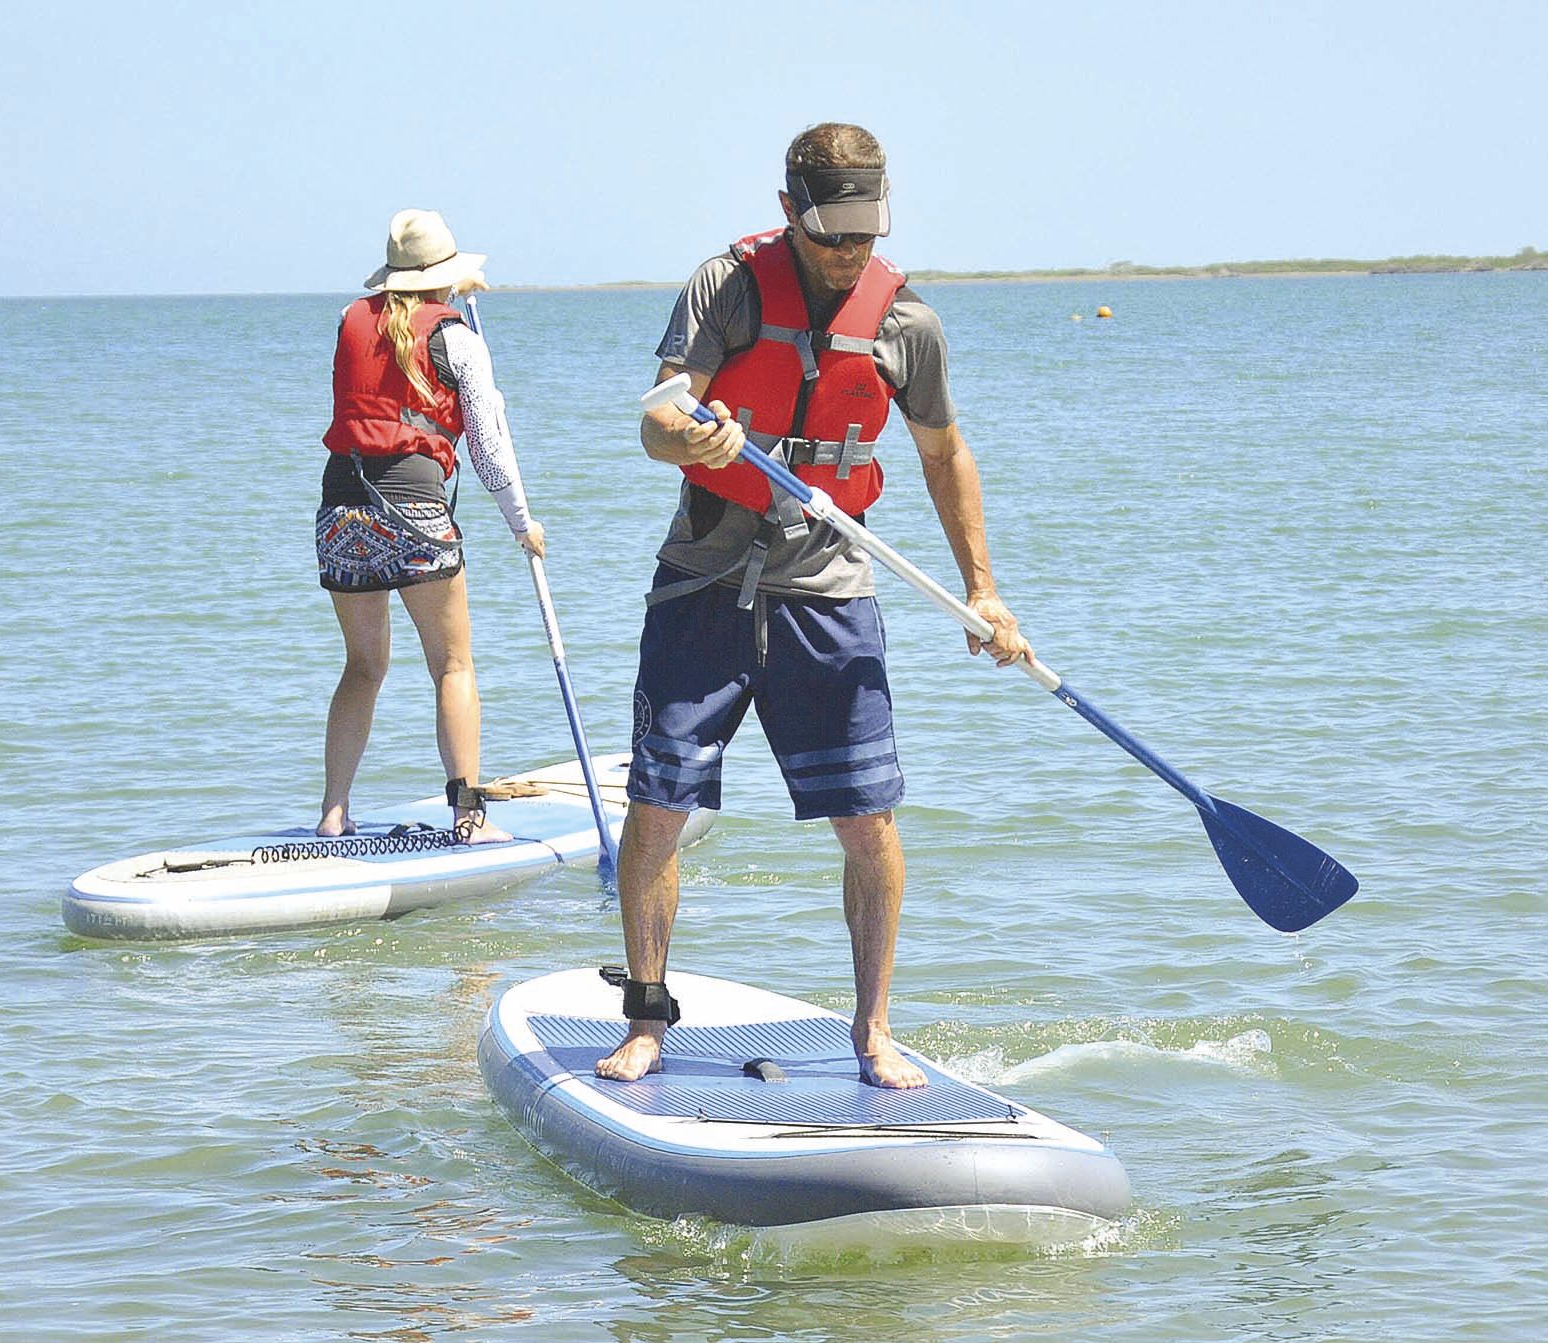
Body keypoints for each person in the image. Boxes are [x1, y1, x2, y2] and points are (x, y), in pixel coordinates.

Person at [595, 124, 1032, 1089]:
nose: (849, 253)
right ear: (790, 209)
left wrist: (981, 591)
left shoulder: (906, 323)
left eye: (865, 234)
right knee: (657, 803)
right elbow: (658, 414)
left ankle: (872, 1029)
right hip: (704, 582)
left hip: (829, 591)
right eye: (832, 232)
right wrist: (689, 441)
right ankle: (646, 1019)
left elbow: (942, 454)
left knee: (868, 819)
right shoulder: (728, 286)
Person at [315, 209, 544, 842]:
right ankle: (469, 815)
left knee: (363, 666)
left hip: (342, 509)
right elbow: (489, 445)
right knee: (453, 666)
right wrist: (522, 523)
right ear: (446, 279)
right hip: (413, 510)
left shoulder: (349, 319)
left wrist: (442, 305)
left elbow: (387, 354)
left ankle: (334, 812)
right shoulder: (460, 340)